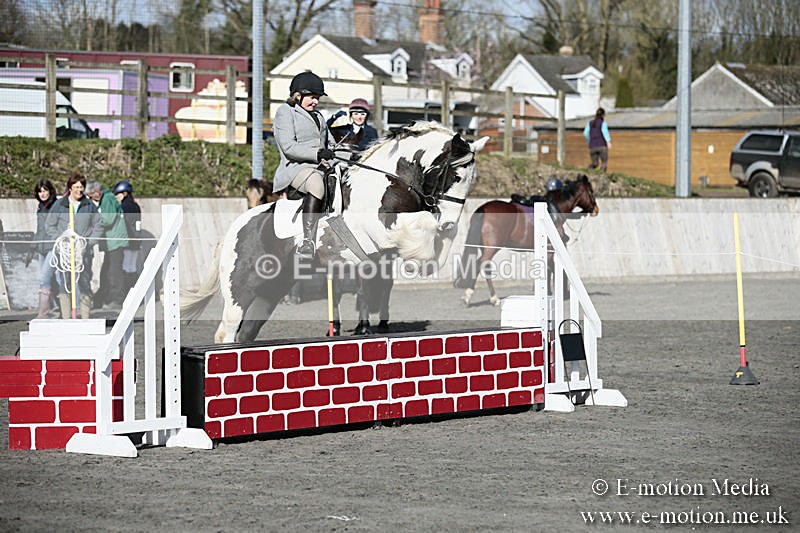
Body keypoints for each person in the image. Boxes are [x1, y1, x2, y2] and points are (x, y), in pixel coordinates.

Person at [272, 71, 337, 259]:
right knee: (316, 184)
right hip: (295, 168)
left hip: (320, 165)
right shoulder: (285, 112)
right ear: (297, 95)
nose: (315, 101)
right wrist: (317, 154)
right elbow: (288, 146)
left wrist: (353, 155)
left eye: (317, 98)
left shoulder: (318, 117)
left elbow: (331, 146)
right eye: (312, 97)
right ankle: (307, 241)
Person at [44, 173, 104, 319]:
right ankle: (66, 317)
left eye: (81, 187)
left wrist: (89, 242)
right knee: (65, 284)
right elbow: (49, 225)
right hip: (64, 253)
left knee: (84, 282)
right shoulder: (60, 204)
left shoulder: (89, 205)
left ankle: (85, 317)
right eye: (76, 187)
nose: (79, 190)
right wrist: (60, 241)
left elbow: (99, 225)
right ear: (70, 187)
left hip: (83, 253)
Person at [85, 179, 128, 309]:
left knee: (114, 272)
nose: (89, 198)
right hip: (111, 242)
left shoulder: (107, 199)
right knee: (106, 271)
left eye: (90, 195)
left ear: (97, 192)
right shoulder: (106, 199)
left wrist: (92, 222)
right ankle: (103, 297)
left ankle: (117, 299)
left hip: (115, 241)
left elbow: (108, 219)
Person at [31, 178, 58, 318]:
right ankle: (54, 309)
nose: (42, 194)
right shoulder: (40, 207)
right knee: (49, 279)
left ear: (50, 191)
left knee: (44, 278)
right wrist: (33, 247)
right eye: (40, 191)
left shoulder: (55, 206)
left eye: (45, 190)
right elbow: (39, 229)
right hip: (41, 247)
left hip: (53, 247)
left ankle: (43, 313)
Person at [113, 180, 142, 294]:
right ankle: (136, 293)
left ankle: (127, 293)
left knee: (125, 267)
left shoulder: (123, 207)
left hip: (127, 240)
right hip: (136, 240)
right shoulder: (136, 206)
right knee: (132, 267)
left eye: (118, 194)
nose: (116, 197)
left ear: (124, 193)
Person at [583, 107, 611, 172]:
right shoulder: (603, 123)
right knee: (604, 163)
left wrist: (589, 141)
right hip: (602, 146)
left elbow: (585, 133)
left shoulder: (590, 123)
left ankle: (586, 172)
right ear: (603, 115)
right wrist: (608, 141)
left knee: (595, 164)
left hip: (592, 146)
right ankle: (602, 176)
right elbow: (605, 132)